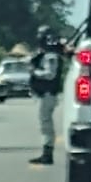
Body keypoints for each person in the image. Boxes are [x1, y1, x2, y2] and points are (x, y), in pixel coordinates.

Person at [27, 25, 67, 165]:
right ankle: (46, 152)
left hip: (48, 94)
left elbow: (50, 75)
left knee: (46, 124)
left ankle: (47, 153)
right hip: (45, 95)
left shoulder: (51, 56)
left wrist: (34, 72)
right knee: (45, 123)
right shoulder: (46, 54)